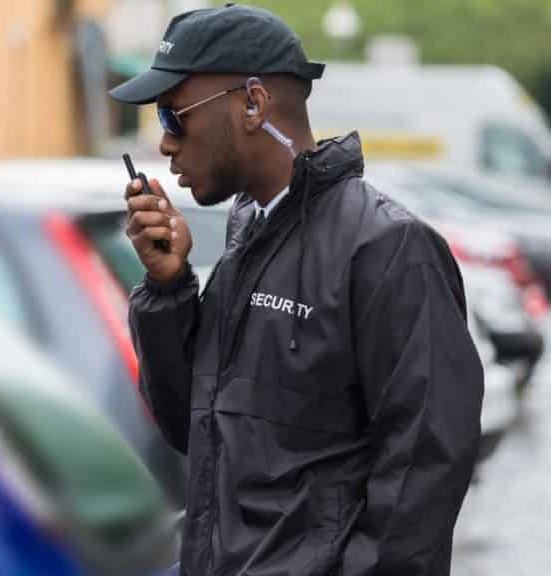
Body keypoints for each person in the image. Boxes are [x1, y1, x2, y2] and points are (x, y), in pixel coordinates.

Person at [109, 4, 484, 576]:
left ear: (253, 106)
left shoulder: (388, 248)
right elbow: (194, 428)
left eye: (173, 115)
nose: (164, 144)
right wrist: (169, 289)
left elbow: (422, 481)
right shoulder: (246, 239)